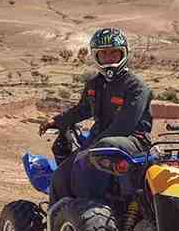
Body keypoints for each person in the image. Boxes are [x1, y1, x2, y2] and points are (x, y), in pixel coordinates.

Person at [39, 27, 153, 204]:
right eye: (103, 54)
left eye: (113, 53)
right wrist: (57, 121)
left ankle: (89, 210)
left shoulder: (136, 87)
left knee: (93, 156)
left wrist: (90, 148)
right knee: (60, 176)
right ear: (96, 56)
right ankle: (56, 223)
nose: (109, 58)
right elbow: (82, 109)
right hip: (98, 140)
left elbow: (123, 126)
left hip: (132, 142)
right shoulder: (95, 84)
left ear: (123, 54)